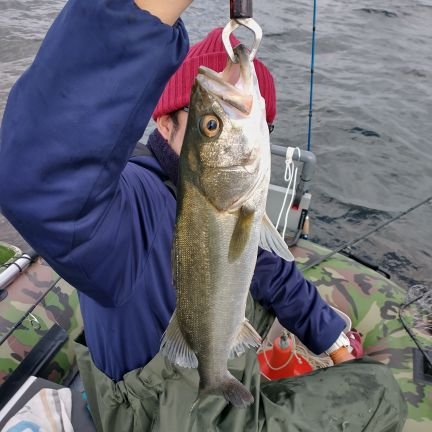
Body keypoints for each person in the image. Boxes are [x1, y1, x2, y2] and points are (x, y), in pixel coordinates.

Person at [0, 1, 407, 431]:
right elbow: (39, 183)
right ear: (164, 123)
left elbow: (269, 266)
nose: (244, 131)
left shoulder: (228, 200)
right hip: (163, 419)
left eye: (259, 128)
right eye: (210, 125)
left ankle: (224, 376)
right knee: (380, 393)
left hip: (212, 384)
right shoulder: (127, 212)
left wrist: (332, 337)